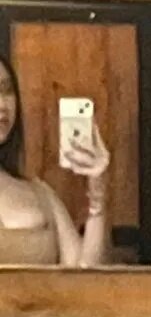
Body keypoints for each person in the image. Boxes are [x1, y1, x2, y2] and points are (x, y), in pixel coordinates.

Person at [0, 54, 110, 266]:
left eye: (7, 90)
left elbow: (85, 277)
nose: (2, 104)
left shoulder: (40, 193)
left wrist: (98, 198)